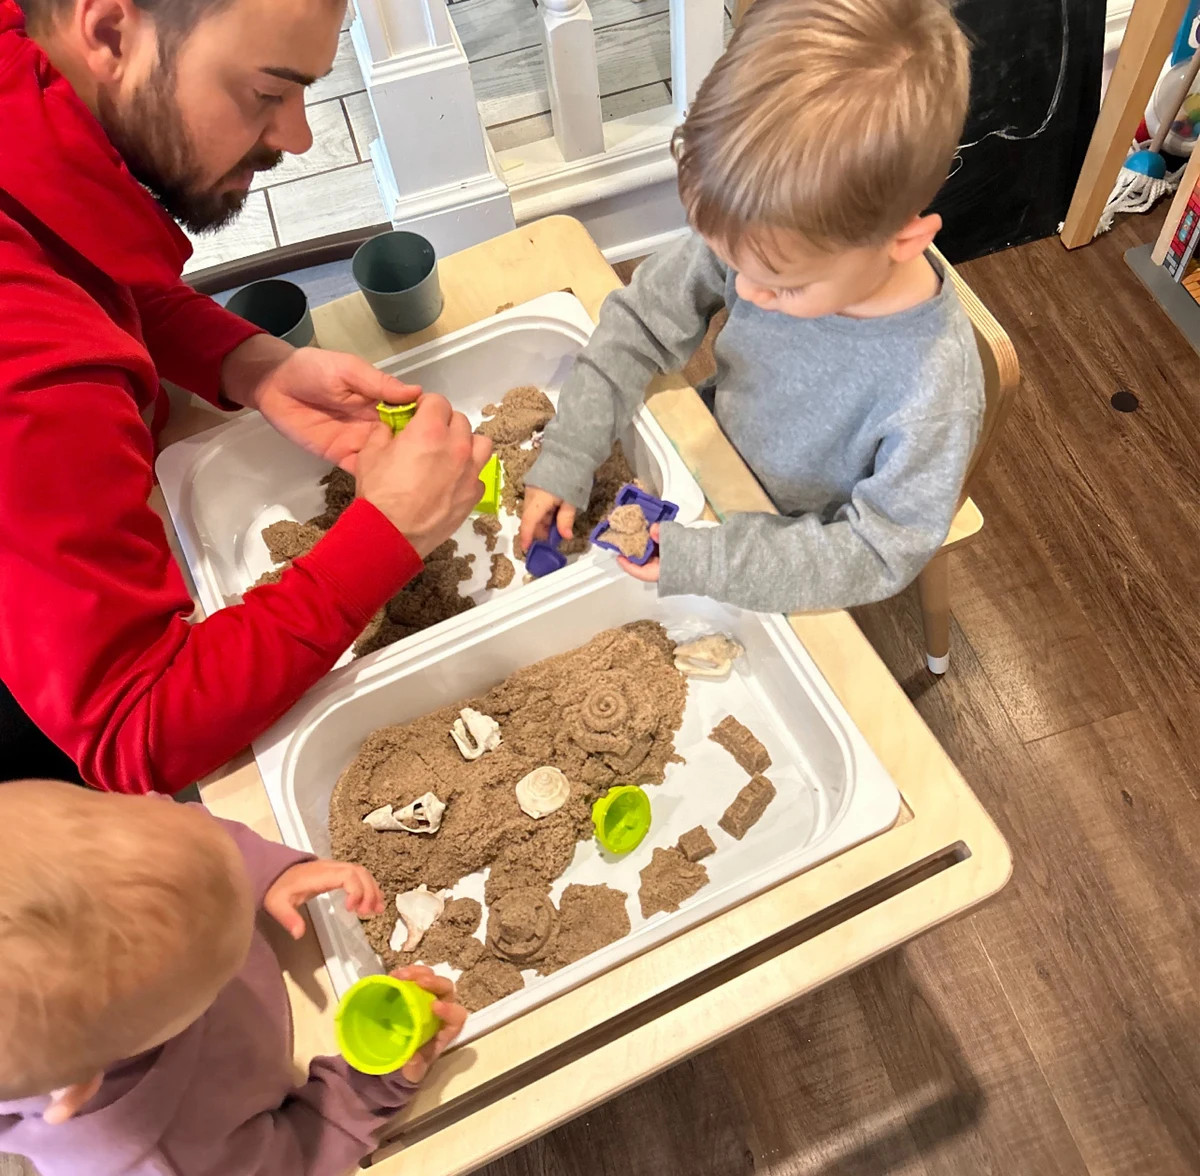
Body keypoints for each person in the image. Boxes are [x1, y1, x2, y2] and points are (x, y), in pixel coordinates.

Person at [0, 0, 492, 792]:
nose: (297, 137)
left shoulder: (26, 58)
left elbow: (78, 247)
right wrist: (386, 537)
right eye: (268, 93)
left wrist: (245, 361)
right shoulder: (31, 376)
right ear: (107, 31)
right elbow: (137, 727)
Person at [520, 0, 984, 618]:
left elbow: (877, 551)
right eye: (731, 263)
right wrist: (572, 451)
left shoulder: (933, 389)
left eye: (782, 288)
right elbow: (637, 321)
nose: (746, 292)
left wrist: (710, 561)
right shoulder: (766, 237)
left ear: (904, 241)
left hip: (790, 551)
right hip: (713, 454)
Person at [0, 780, 467, 1176]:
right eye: (221, 962)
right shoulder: (182, 1163)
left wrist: (270, 871)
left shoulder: (94, 858)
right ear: (82, 1086)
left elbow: (177, 835)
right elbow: (295, 1163)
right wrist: (369, 1085)